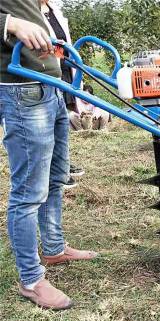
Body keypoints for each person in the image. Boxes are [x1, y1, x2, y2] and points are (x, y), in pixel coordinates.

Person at [0, 0, 98, 310]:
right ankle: (30, 280)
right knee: (28, 193)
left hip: (52, 88)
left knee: (57, 178)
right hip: (21, 91)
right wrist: (12, 24)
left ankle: (54, 248)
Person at [41, 0, 84, 189]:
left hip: (65, 68)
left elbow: (63, 40)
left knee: (62, 120)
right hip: (46, 72)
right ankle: (55, 170)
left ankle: (63, 163)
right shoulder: (29, 9)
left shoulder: (53, 9)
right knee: (49, 123)